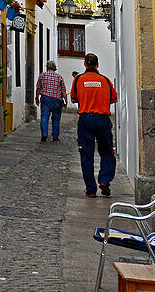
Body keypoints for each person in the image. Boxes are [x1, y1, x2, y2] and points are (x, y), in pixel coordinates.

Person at [71, 53, 117, 198]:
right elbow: (114, 98)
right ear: (97, 65)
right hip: (103, 119)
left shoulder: (78, 79)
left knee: (86, 154)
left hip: (86, 119)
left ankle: (91, 189)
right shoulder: (105, 80)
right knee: (107, 151)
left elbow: (73, 98)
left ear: (85, 64)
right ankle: (104, 180)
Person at [35, 60, 67, 142]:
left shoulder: (42, 75)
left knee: (44, 117)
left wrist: (37, 98)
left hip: (45, 99)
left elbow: (38, 88)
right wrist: (66, 101)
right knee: (56, 119)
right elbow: (63, 91)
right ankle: (55, 136)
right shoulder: (59, 77)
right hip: (56, 100)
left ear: (48, 67)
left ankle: (44, 133)